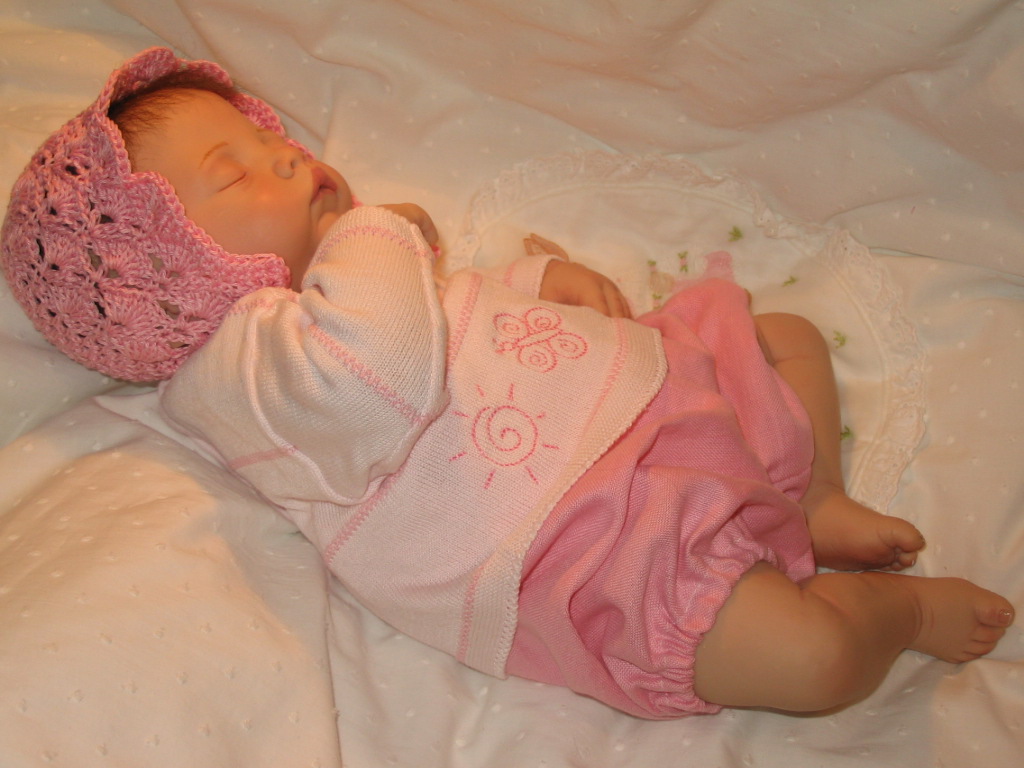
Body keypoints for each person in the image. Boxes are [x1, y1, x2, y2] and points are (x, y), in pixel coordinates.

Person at [1, 48, 1013, 720]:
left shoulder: (349, 284)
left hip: (650, 404)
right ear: (169, 279)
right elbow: (380, 378)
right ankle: (900, 617)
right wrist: (371, 228)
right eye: (237, 173)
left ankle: (811, 497)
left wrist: (537, 282)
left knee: (782, 335)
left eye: (270, 140)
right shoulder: (242, 371)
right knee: (809, 662)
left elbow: (453, 314)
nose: (288, 158)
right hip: (582, 545)